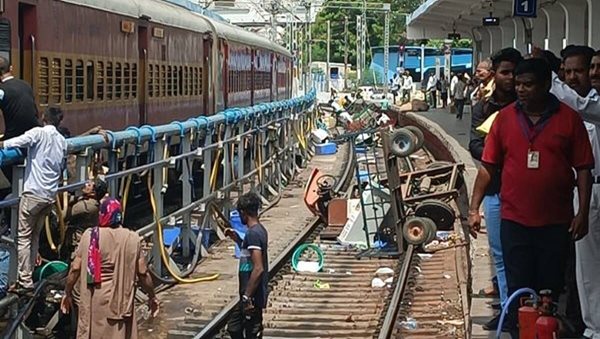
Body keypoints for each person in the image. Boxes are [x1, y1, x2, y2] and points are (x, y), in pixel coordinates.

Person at [469, 58, 594, 335]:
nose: (521, 90)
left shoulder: (569, 119)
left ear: (547, 85)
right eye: (518, 85)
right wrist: (473, 208)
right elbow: (488, 167)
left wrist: (582, 212)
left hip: (555, 222)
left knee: (549, 291)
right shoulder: (504, 119)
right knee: (519, 290)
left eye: (528, 85)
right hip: (515, 221)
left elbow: (584, 169)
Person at [542, 46, 600, 339]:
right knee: (586, 268)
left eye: (586, 69)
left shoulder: (587, 105)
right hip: (589, 189)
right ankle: (593, 328)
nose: (591, 74)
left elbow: (578, 104)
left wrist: (548, 75)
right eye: (571, 72)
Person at [468, 47, 523, 331]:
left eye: (515, 73)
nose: (511, 79)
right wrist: (501, 151)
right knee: (500, 254)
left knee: (522, 252)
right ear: (494, 75)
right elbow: (474, 145)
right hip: (495, 189)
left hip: (525, 191)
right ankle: (509, 309)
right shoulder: (483, 108)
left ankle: (526, 307)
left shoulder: (529, 108)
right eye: (505, 73)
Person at [61, 198, 159, 338]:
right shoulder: (132, 238)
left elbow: (75, 269)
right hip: (121, 301)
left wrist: (67, 292)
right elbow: (143, 273)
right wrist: (152, 296)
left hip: (95, 299)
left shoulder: (90, 236)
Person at [0, 107, 67, 292]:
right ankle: (28, 274)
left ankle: (24, 280)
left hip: (33, 194)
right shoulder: (62, 141)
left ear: (43, 118)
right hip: (49, 196)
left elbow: (17, 141)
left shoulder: (38, 133)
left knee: (22, 238)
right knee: (35, 236)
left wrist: (2, 145)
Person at [226, 192, 269, 339]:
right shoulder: (258, 231)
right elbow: (249, 255)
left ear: (243, 213)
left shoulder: (253, 234)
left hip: (252, 295)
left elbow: (258, 268)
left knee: (248, 330)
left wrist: (247, 296)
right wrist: (238, 239)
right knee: (235, 326)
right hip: (250, 294)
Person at [0, 56, 41, 197]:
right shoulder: (26, 85)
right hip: (35, 137)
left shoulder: (1, 90)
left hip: (15, 138)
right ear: (10, 69)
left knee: (4, 160)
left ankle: (19, 191)